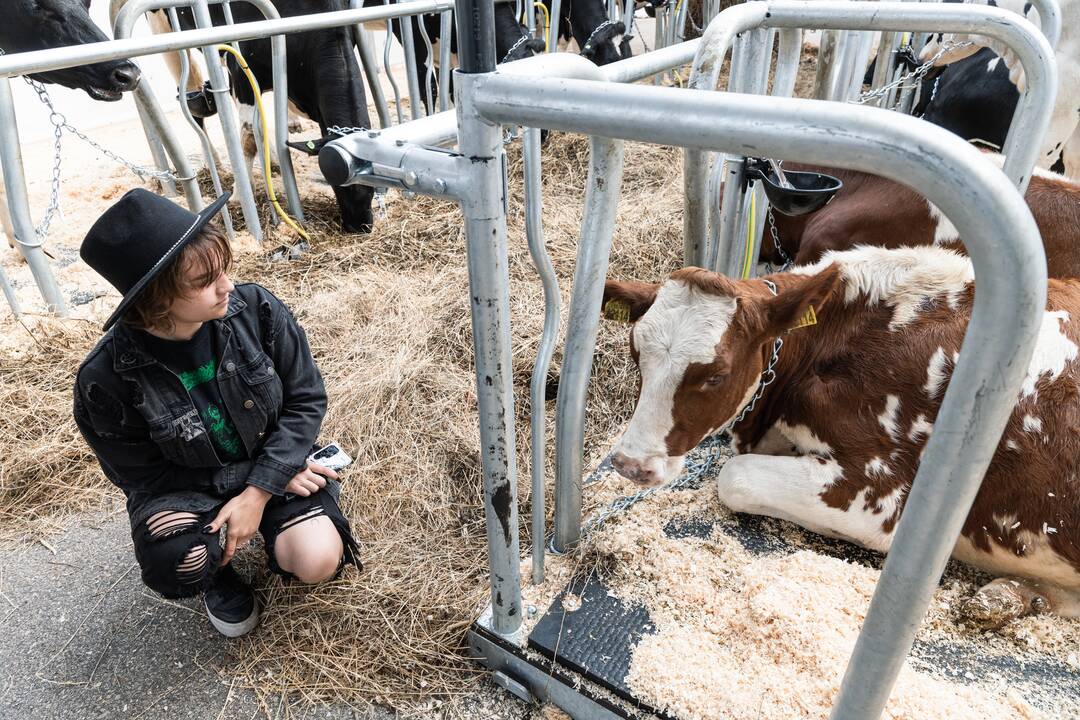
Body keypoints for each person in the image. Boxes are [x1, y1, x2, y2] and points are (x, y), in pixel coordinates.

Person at [73, 189, 359, 638]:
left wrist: (262, 487)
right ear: (156, 300)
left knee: (317, 560)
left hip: (272, 460)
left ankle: (276, 522)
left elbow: (306, 398)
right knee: (181, 562)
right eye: (205, 280)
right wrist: (257, 483)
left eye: (223, 268)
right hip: (189, 486)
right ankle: (217, 571)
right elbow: (144, 478)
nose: (226, 284)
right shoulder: (105, 380)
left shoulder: (255, 309)